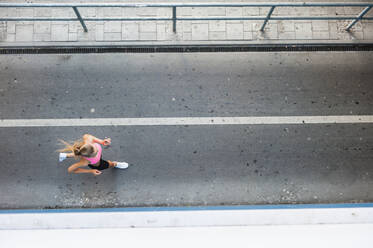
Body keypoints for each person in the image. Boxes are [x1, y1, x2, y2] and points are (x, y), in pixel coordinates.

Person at [58, 134, 129, 176]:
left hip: (84, 152)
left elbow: (88, 136)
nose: (98, 150)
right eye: (96, 152)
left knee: (81, 152)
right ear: (88, 157)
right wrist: (90, 171)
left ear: (90, 144)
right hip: (98, 164)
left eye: (96, 148)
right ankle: (115, 164)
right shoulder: (85, 162)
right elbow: (70, 170)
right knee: (109, 164)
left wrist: (102, 141)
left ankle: (65, 155)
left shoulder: (88, 140)